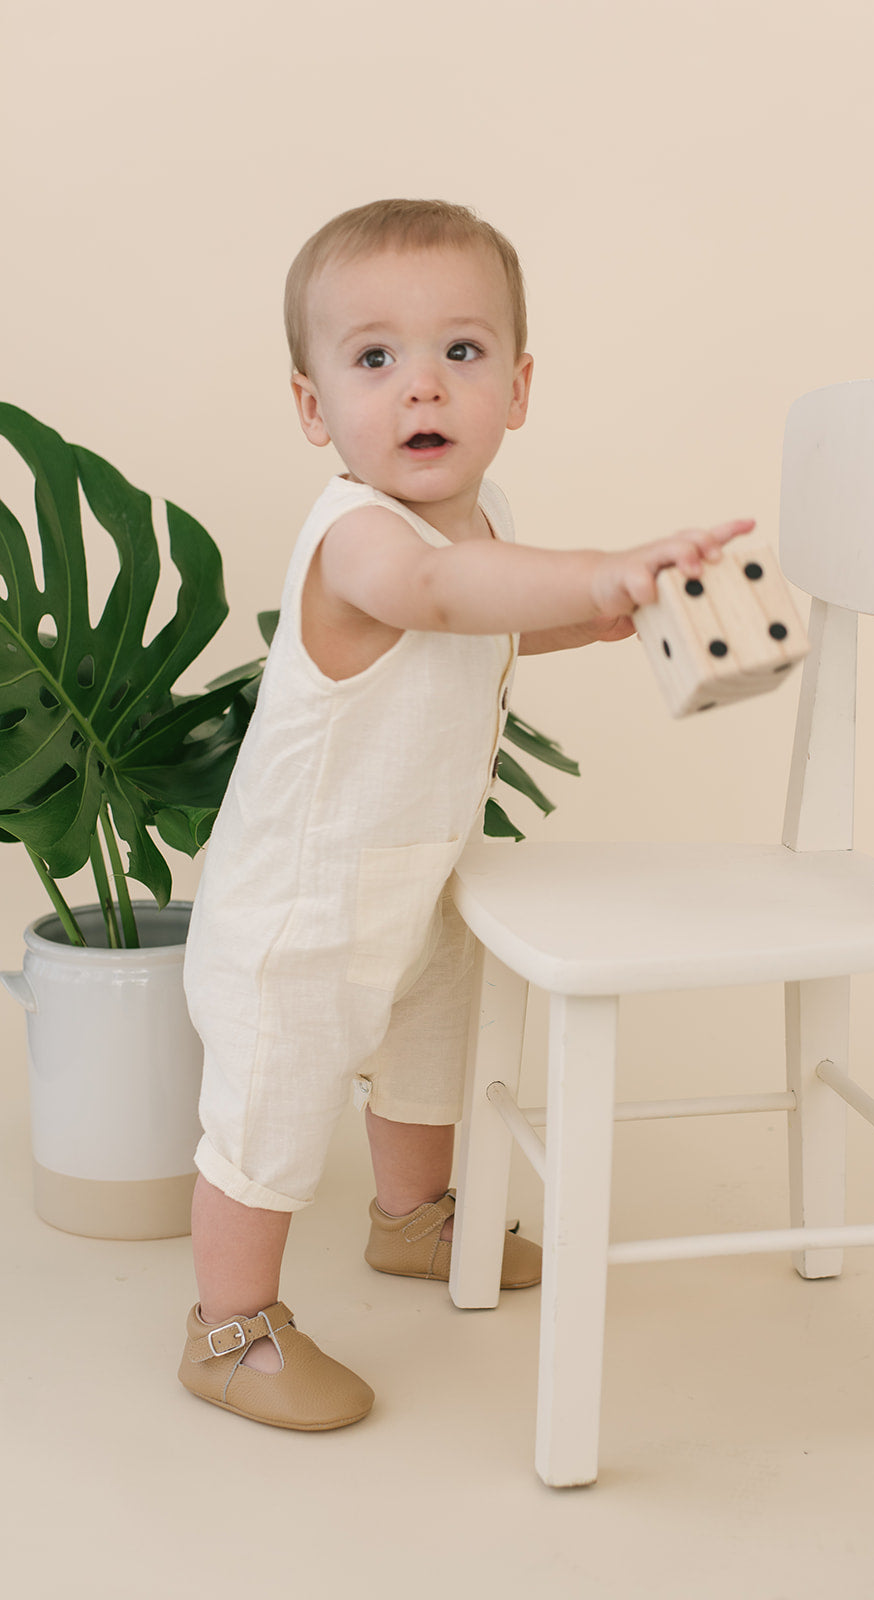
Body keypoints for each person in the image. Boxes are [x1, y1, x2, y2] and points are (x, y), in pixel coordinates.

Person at [177, 198, 754, 1430]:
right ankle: (227, 1327)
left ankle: (411, 1218)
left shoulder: (481, 521)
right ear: (314, 408)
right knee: (270, 1107)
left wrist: (594, 616)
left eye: (461, 350)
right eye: (375, 358)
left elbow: (481, 617)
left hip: (418, 866)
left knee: (429, 1054)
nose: (422, 386)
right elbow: (437, 595)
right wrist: (602, 568)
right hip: (302, 897)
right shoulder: (360, 539)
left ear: (518, 386)